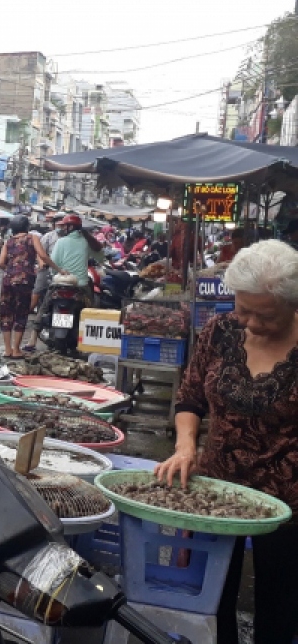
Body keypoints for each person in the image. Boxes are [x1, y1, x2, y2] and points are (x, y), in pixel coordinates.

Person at [155, 240, 298, 644]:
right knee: (213, 599)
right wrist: (186, 446)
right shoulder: (221, 330)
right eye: (243, 308)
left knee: (280, 607)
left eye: (264, 314)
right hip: (218, 490)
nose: (250, 322)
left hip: (290, 502)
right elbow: (190, 397)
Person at [0, 215, 62, 358]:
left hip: (7, 280)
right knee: (21, 312)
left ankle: (7, 350)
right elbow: (43, 256)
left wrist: (10, 270)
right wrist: (59, 270)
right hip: (25, 280)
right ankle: (16, 350)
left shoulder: (8, 242)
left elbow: (0, 262)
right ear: (27, 227)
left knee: (6, 313)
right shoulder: (32, 238)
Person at [26, 214, 66, 351]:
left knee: (63, 305)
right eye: (58, 224)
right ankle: (28, 314)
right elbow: (40, 253)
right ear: (54, 225)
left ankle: (63, 340)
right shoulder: (48, 237)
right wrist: (42, 262)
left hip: (64, 276)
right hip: (47, 271)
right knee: (39, 295)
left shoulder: (70, 239)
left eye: (63, 224)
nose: (61, 227)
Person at [50, 214, 105, 305]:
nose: (63, 228)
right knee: (89, 305)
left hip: (61, 282)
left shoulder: (61, 241)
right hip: (81, 284)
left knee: (46, 303)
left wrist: (57, 273)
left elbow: (54, 262)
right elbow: (100, 257)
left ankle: (39, 318)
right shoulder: (86, 241)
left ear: (71, 227)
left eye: (64, 226)